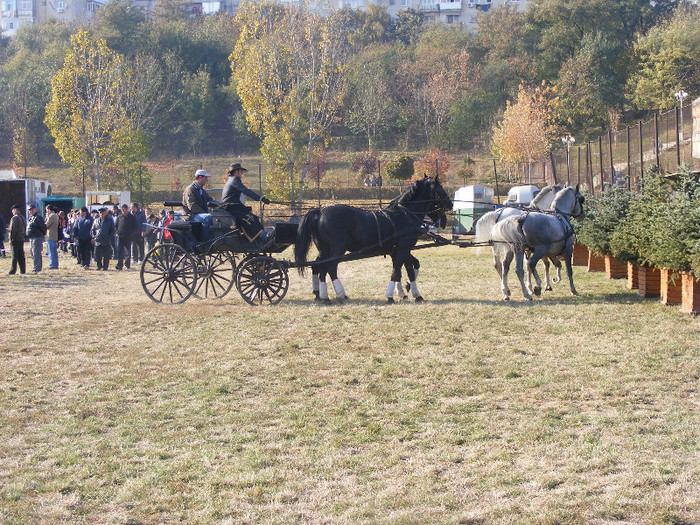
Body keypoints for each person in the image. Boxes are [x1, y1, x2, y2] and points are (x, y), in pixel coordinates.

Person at [221, 163, 273, 248]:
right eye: (241, 171)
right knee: (248, 219)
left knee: (254, 217)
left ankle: (261, 237)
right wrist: (260, 198)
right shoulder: (234, 179)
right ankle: (262, 236)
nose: (242, 173)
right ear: (236, 172)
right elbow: (246, 191)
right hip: (230, 207)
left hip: (235, 206)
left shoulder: (231, 179)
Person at [182, 169, 214, 241]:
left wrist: (220, 204)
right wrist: (204, 213)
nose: (207, 180)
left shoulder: (201, 190)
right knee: (207, 217)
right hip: (191, 216)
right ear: (200, 177)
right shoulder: (190, 189)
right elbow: (192, 206)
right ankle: (204, 242)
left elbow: (210, 200)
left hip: (198, 214)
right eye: (205, 178)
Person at [114, 204, 138, 270]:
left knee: (128, 252)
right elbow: (115, 226)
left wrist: (131, 233)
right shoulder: (119, 217)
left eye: (125, 209)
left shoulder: (132, 217)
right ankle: (119, 265)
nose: (124, 211)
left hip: (128, 237)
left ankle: (127, 265)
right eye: (123, 209)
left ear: (128, 209)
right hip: (120, 237)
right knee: (120, 251)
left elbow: (136, 227)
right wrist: (117, 232)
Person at [26, 204, 46, 273]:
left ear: (35, 209)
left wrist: (42, 235)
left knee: (36, 252)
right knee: (32, 251)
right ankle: (37, 266)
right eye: (29, 210)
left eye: (32, 209)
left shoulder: (38, 217)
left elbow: (43, 227)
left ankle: (36, 268)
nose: (31, 211)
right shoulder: (30, 218)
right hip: (31, 237)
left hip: (37, 237)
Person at [7, 204, 26, 275]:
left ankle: (12, 271)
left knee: (14, 256)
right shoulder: (22, 218)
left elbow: (13, 230)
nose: (12, 212)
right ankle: (23, 270)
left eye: (13, 210)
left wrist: (11, 239)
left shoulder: (14, 218)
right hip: (21, 238)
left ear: (15, 210)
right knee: (21, 256)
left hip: (15, 239)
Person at [45, 205, 60, 269]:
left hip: (50, 235)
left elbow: (46, 225)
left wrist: (46, 218)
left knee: (51, 251)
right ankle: (55, 264)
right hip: (55, 235)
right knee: (54, 251)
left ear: (49, 209)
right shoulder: (55, 216)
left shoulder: (51, 216)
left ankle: (52, 265)